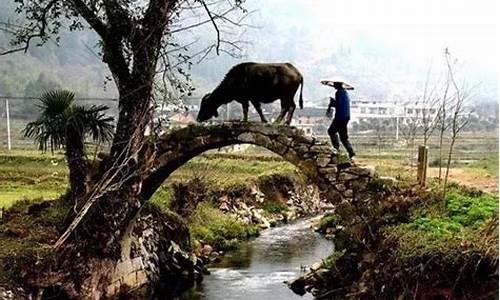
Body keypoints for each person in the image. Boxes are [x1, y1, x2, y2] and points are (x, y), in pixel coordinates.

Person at [326, 81, 356, 161]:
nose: (334, 86)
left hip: (340, 117)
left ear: (337, 85)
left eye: (335, 85)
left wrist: (332, 102)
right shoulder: (345, 92)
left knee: (331, 131)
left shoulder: (338, 93)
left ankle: (336, 149)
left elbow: (338, 104)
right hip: (346, 117)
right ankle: (351, 153)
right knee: (343, 137)